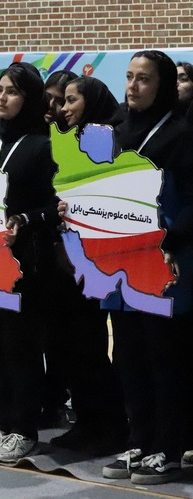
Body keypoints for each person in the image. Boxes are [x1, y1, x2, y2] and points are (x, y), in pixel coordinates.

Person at [101, 50, 193, 485]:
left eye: (144, 79)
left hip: (165, 261)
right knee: (128, 355)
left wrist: (168, 237)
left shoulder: (181, 134)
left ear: (164, 86)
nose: (133, 86)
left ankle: (169, 448)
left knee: (164, 358)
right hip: (121, 263)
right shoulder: (117, 133)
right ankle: (139, 440)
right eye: (129, 77)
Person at [0, 62, 65, 464]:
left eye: (12, 91)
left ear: (30, 98)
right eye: (0, 89)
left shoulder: (44, 145)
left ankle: (24, 428)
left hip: (27, 261)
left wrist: (24, 220)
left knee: (20, 345)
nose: (2, 98)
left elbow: (56, 204)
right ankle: (1, 420)